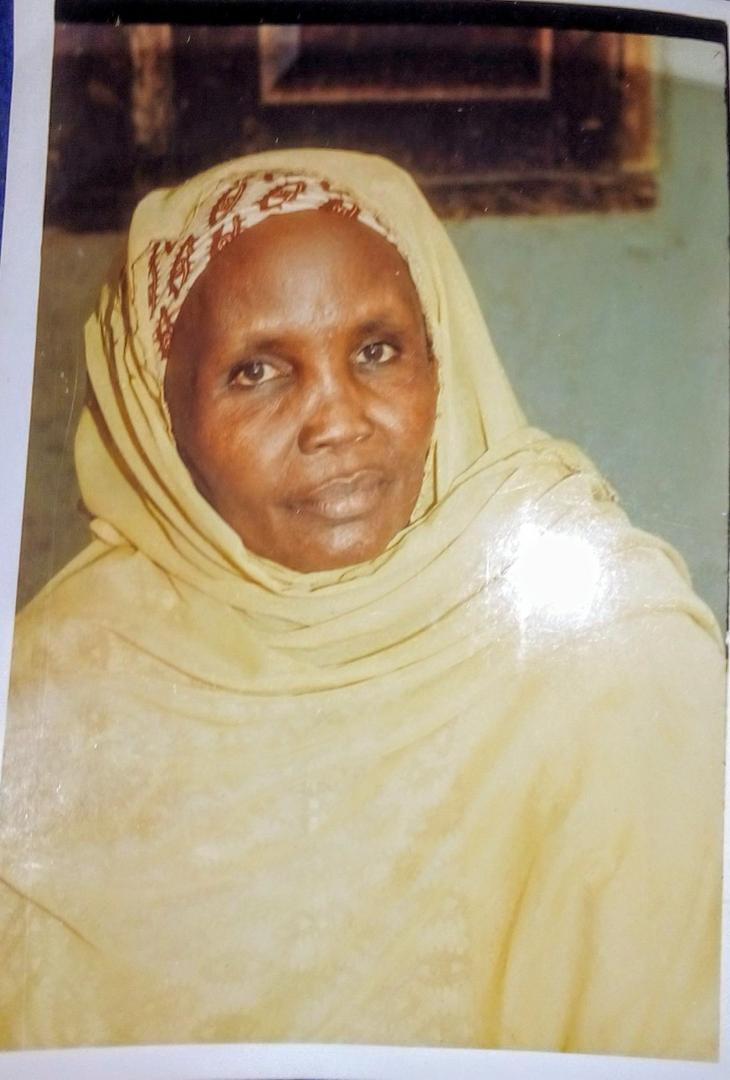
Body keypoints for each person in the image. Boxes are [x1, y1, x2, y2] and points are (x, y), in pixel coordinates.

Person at [0, 149, 724, 1058]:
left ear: (438, 359)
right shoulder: (55, 689)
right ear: (158, 411)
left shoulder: (615, 656)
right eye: (257, 372)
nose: (338, 421)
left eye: (377, 352)